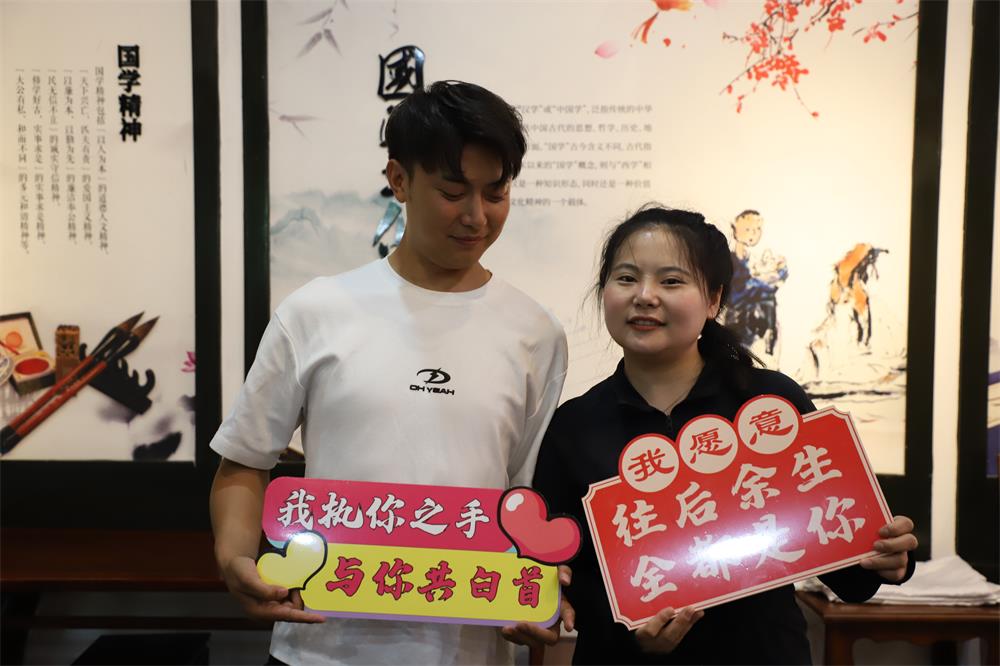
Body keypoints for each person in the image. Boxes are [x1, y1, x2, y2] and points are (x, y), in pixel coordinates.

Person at [209, 81, 569, 665]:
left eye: (496, 193)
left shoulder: (536, 332)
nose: (476, 216)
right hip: (318, 648)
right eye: (452, 192)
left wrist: (539, 590)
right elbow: (244, 461)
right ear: (399, 180)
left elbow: (526, 496)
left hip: (468, 649)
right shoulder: (316, 311)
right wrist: (234, 560)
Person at [532, 205, 917, 664]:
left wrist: (890, 557)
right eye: (627, 278)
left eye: (671, 281)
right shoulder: (574, 426)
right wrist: (629, 637)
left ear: (713, 300)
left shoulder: (770, 404)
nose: (645, 296)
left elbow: (852, 577)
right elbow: (563, 579)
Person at [725, 209, 787, 362]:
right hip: (739, 319)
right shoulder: (731, 261)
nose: (753, 234)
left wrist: (778, 273)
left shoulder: (752, 259)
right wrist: (768, 281)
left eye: (757, 229)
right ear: (735, 230)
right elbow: (740, 290)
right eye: (748, 229)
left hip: (757, 319)